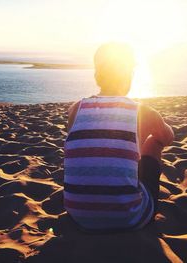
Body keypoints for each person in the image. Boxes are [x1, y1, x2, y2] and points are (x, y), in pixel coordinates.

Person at [63, 43, 174, 232]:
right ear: (129, 75)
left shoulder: (76, 109)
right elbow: (167, 138)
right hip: (130, 218)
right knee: (152, 142)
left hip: (78, 215)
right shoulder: (142, 111)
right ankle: (135, 199)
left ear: (97, 75)